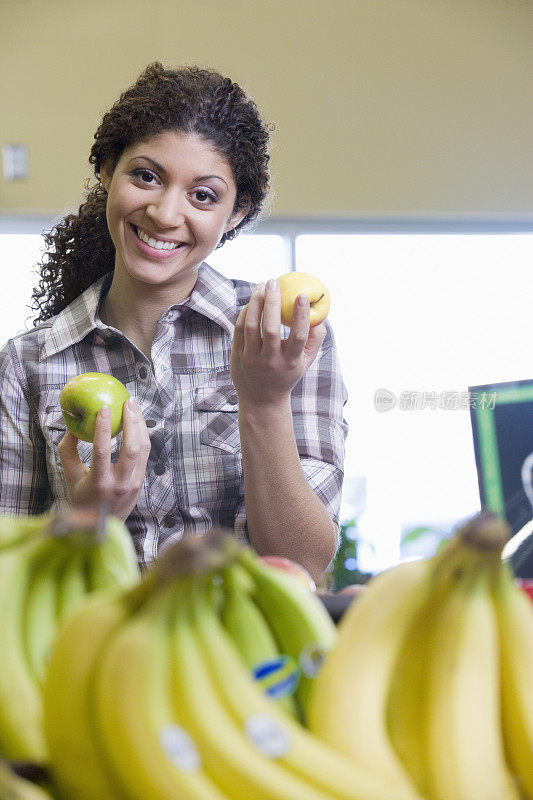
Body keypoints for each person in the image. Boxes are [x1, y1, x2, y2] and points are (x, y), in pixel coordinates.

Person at [0, 62, 348, 583]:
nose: (165, 213)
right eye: (145, 175)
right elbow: (9, 575)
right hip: (89, 657)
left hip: (241, 658)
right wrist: (86, 522)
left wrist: (264, 400)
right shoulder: (27, 364)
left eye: (203, 195)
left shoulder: (278, 338)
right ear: (106, 171)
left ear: (235, 214)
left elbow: (300, 564)